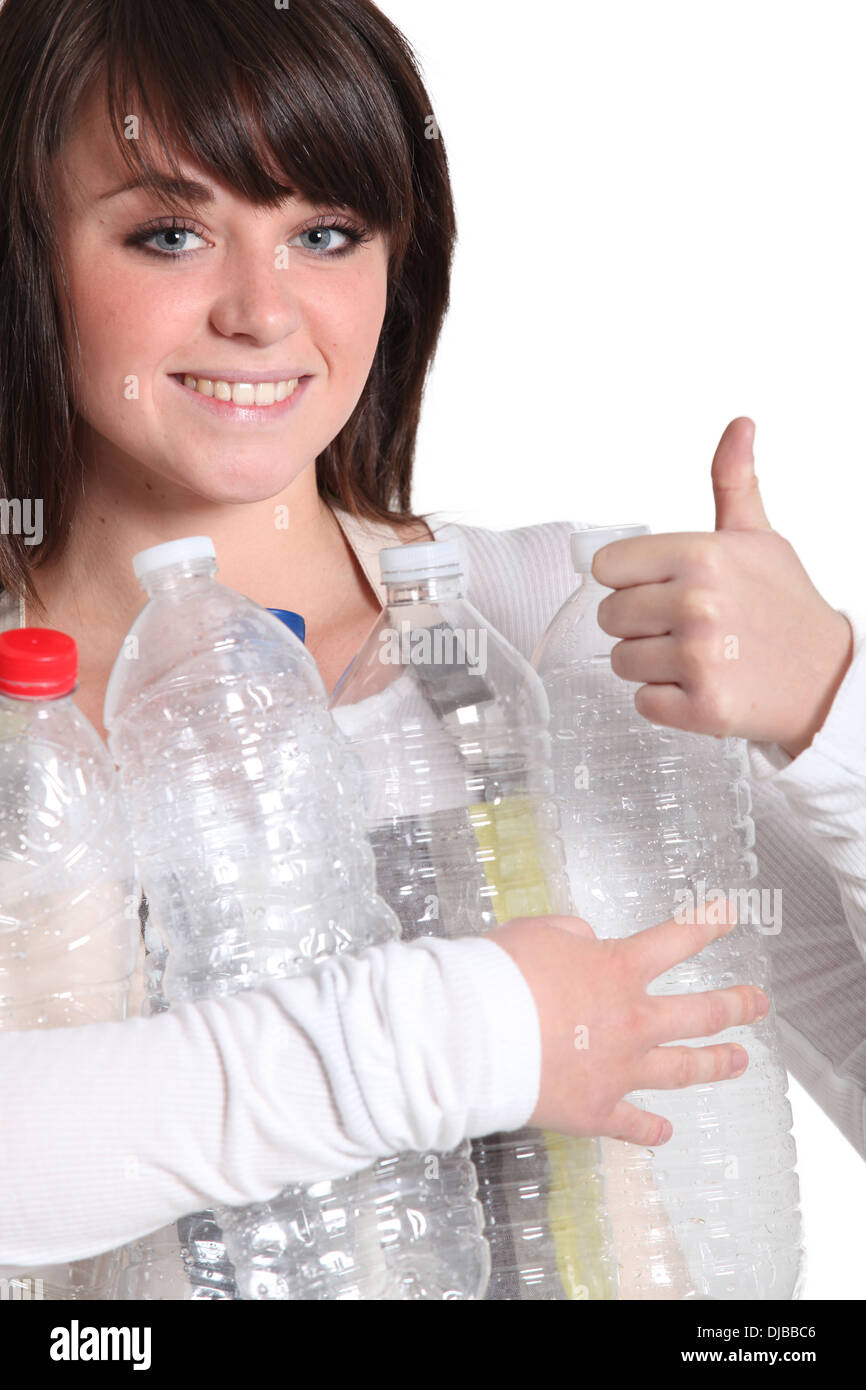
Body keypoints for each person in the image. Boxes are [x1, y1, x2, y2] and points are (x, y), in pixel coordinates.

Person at [0, 0, 862, 1280]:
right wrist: (473, 1031)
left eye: (326, 234)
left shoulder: (566, 628)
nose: (262, 310)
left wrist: (831, 713)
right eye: (169, 233)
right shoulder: (31, 738)